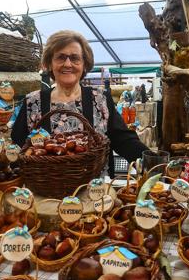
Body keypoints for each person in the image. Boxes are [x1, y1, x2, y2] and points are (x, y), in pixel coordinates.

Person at [11, 30, 149, 178]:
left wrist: (154, 163)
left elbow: (124, 141)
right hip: (46, 193)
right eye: (60, 57)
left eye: (75, 58)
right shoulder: (32, 102)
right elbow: (17, 148)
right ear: (49, 64)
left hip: (94, 194)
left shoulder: (100, 99)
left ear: (84, 64)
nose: (68, 64)